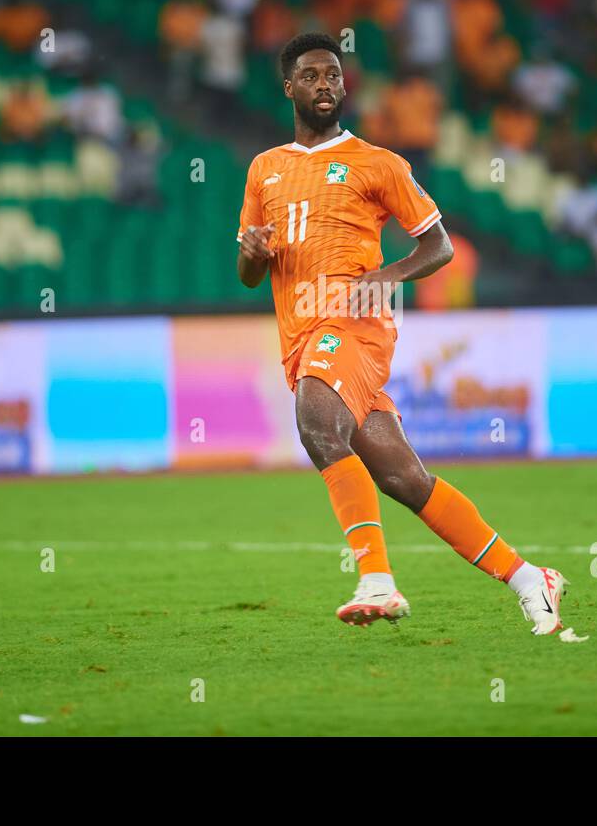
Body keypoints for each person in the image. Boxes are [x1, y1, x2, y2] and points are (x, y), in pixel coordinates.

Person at [235, 33, 566, 635]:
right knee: (402, 478)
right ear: (290, 87)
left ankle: (377, 580)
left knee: (316, 423)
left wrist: (387, 277)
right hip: (301, 334)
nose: (326, 85)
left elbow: (438, 244)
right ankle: (529, 577)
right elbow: (250, 275)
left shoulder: (378, 162)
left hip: (355, 325)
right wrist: (253, 250)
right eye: (311, 76)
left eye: (334, 75)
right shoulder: (266, 170)